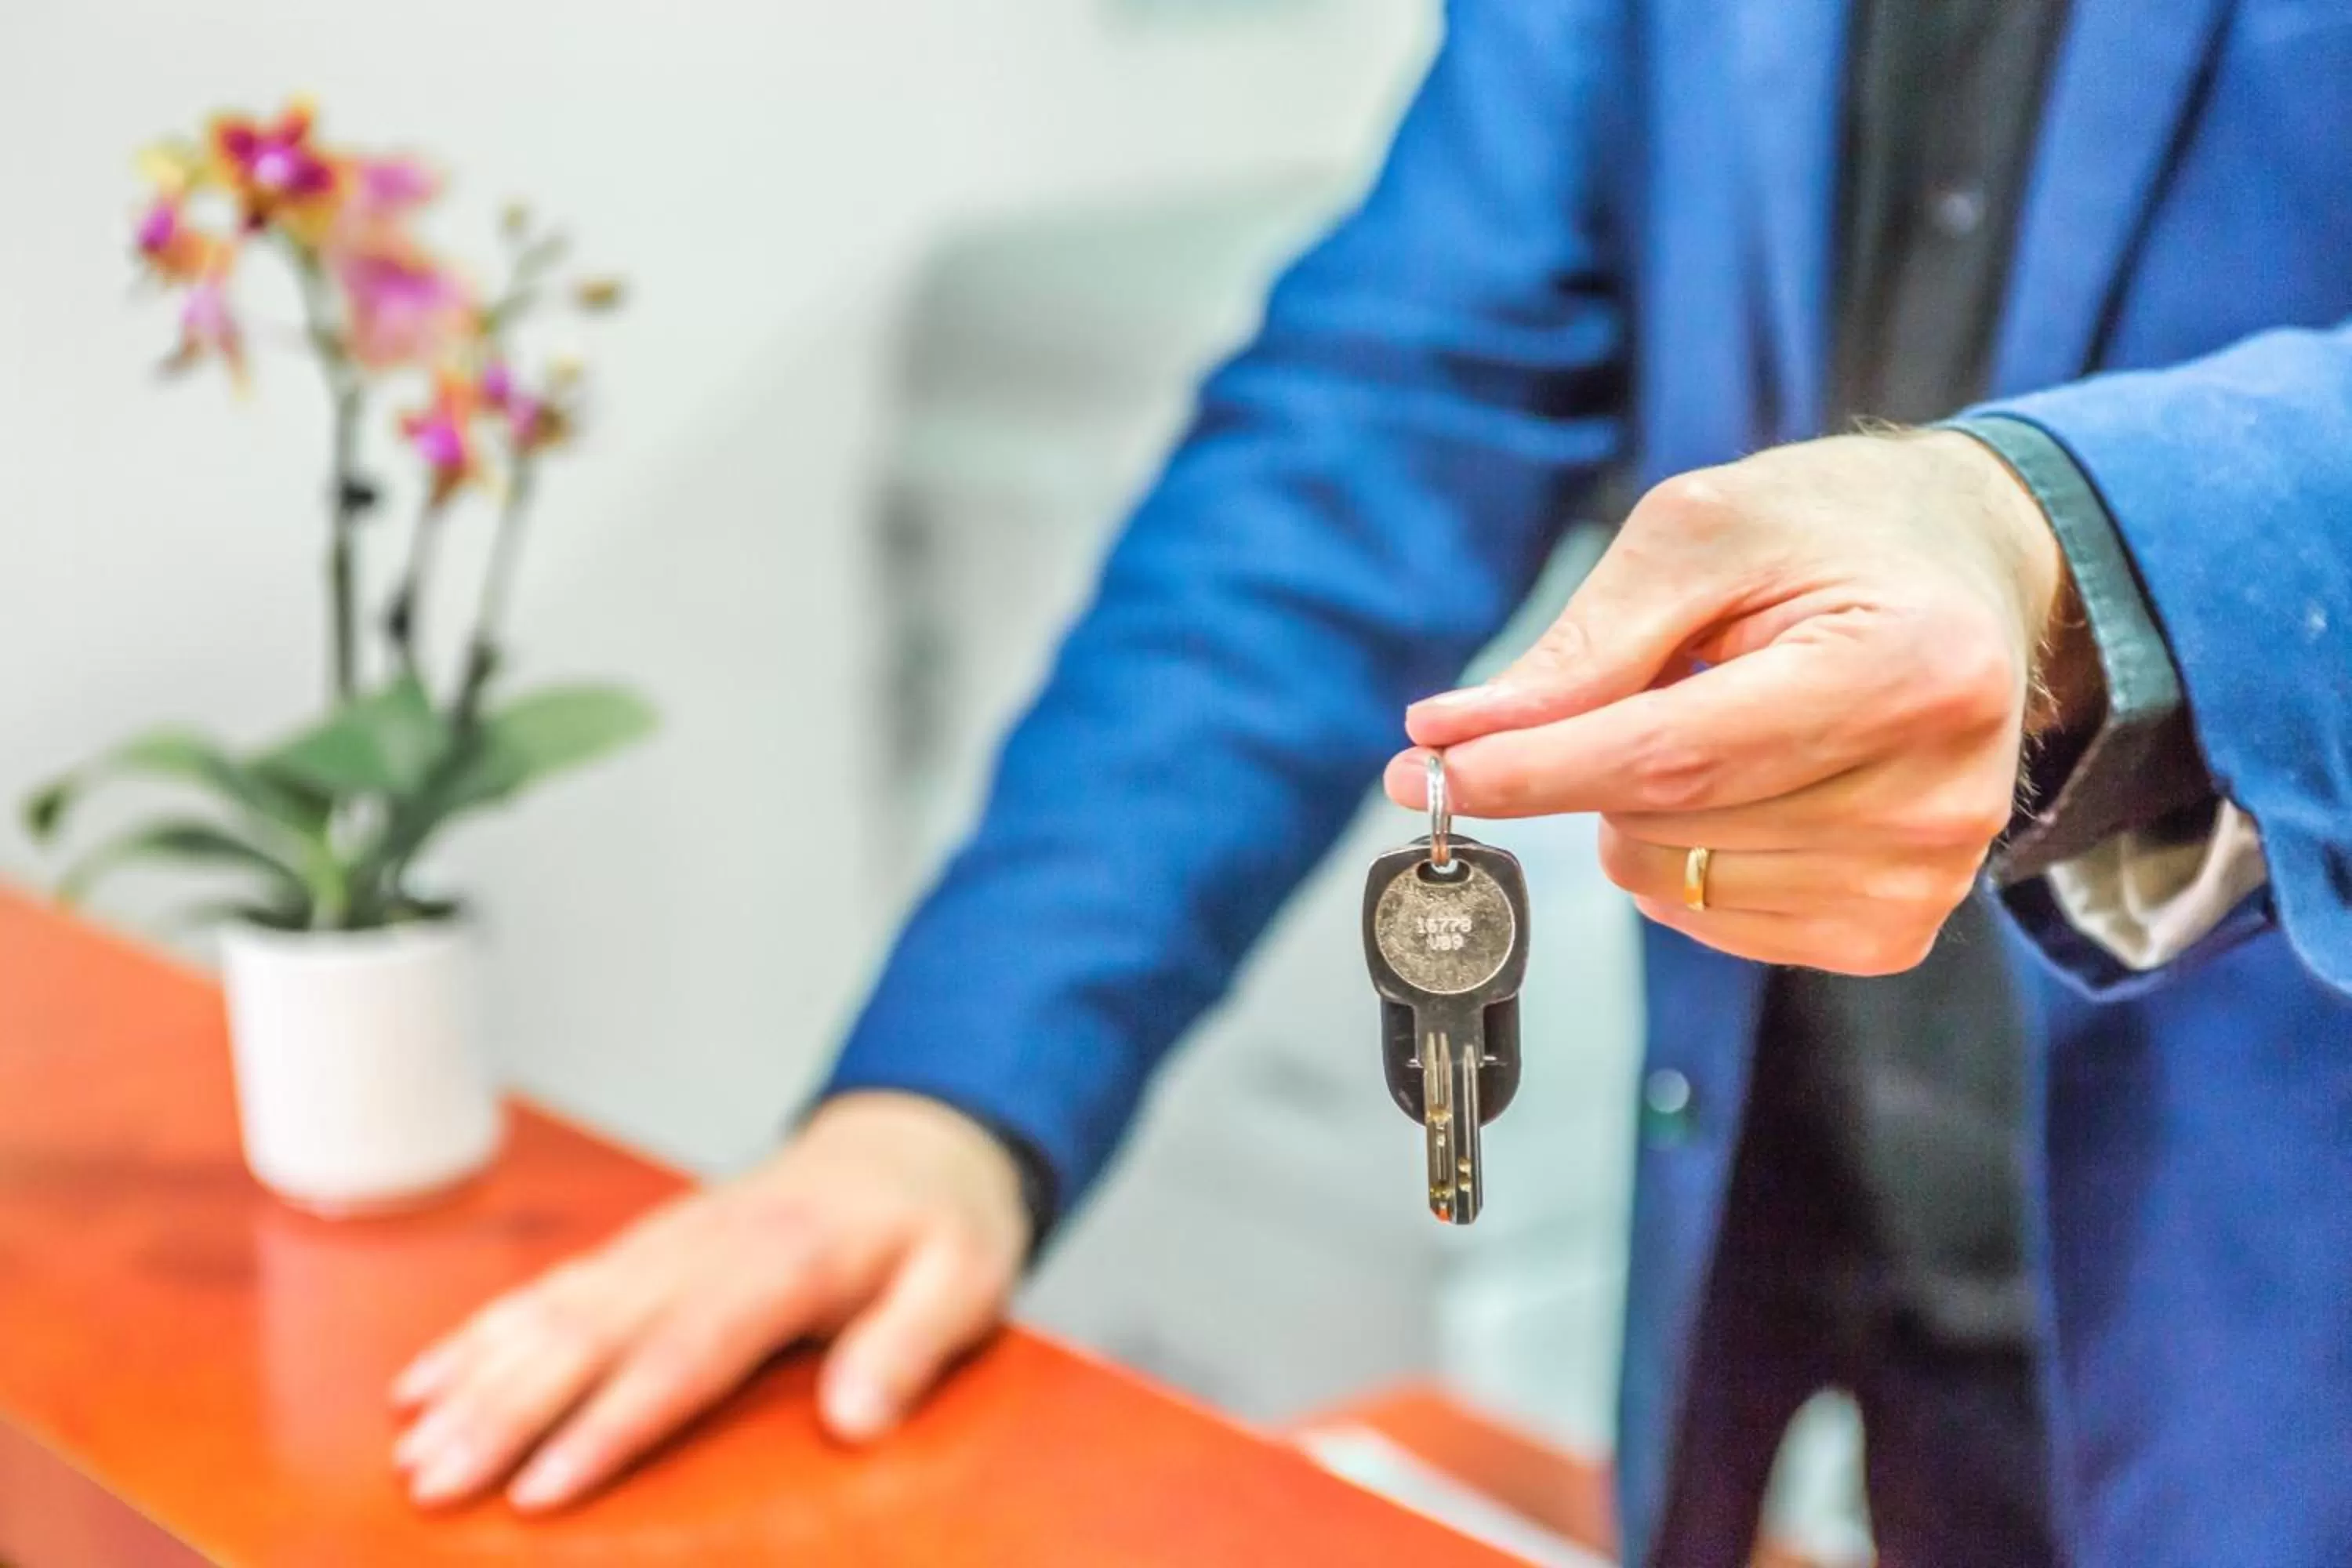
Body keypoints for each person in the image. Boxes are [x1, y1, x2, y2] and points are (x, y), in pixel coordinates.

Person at [387, 2, 2352, 1562]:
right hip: (1866, 1247)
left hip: (2288, 1299)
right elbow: (1380, 419)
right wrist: (945, 1101)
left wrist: (2067, 543)